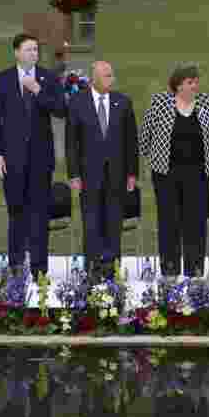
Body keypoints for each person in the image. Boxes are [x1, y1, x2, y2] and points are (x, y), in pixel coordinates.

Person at [140, 64, 209, 278]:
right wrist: (149, 159)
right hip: (165, 175)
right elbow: (145, 137)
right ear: (178, 85)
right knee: (168, 222)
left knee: (196, 223)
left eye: (196, 81)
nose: (195, 85)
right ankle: (169, 270)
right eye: (190, 82)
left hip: (197, 175)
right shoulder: (160, 103)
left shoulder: (208, 103)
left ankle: (194, 270)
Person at [0, 33, 66, 277]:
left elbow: (61, 109)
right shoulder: (3, 80)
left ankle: (39, 268)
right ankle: (15, 266)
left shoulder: (48, 78)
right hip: (11, 160)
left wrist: (38, 91)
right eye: (28, 50)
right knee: (16, 214)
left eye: (36, 50)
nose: (34, 54)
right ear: (16, 52)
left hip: (41, 160)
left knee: (39, 215)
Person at [66, 61, 138, 282]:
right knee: (91, 222)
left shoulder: (123, 103)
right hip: (89, 175)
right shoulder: (78, 102)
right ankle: (93, 269)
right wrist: (74, 174)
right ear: (94, 78)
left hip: (117, 174)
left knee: (113, 222)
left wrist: (132, 173)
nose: (111, 79)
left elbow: (130, 141)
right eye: (107, 76)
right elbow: (72, 142)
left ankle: (112, 269)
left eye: (111, 75)